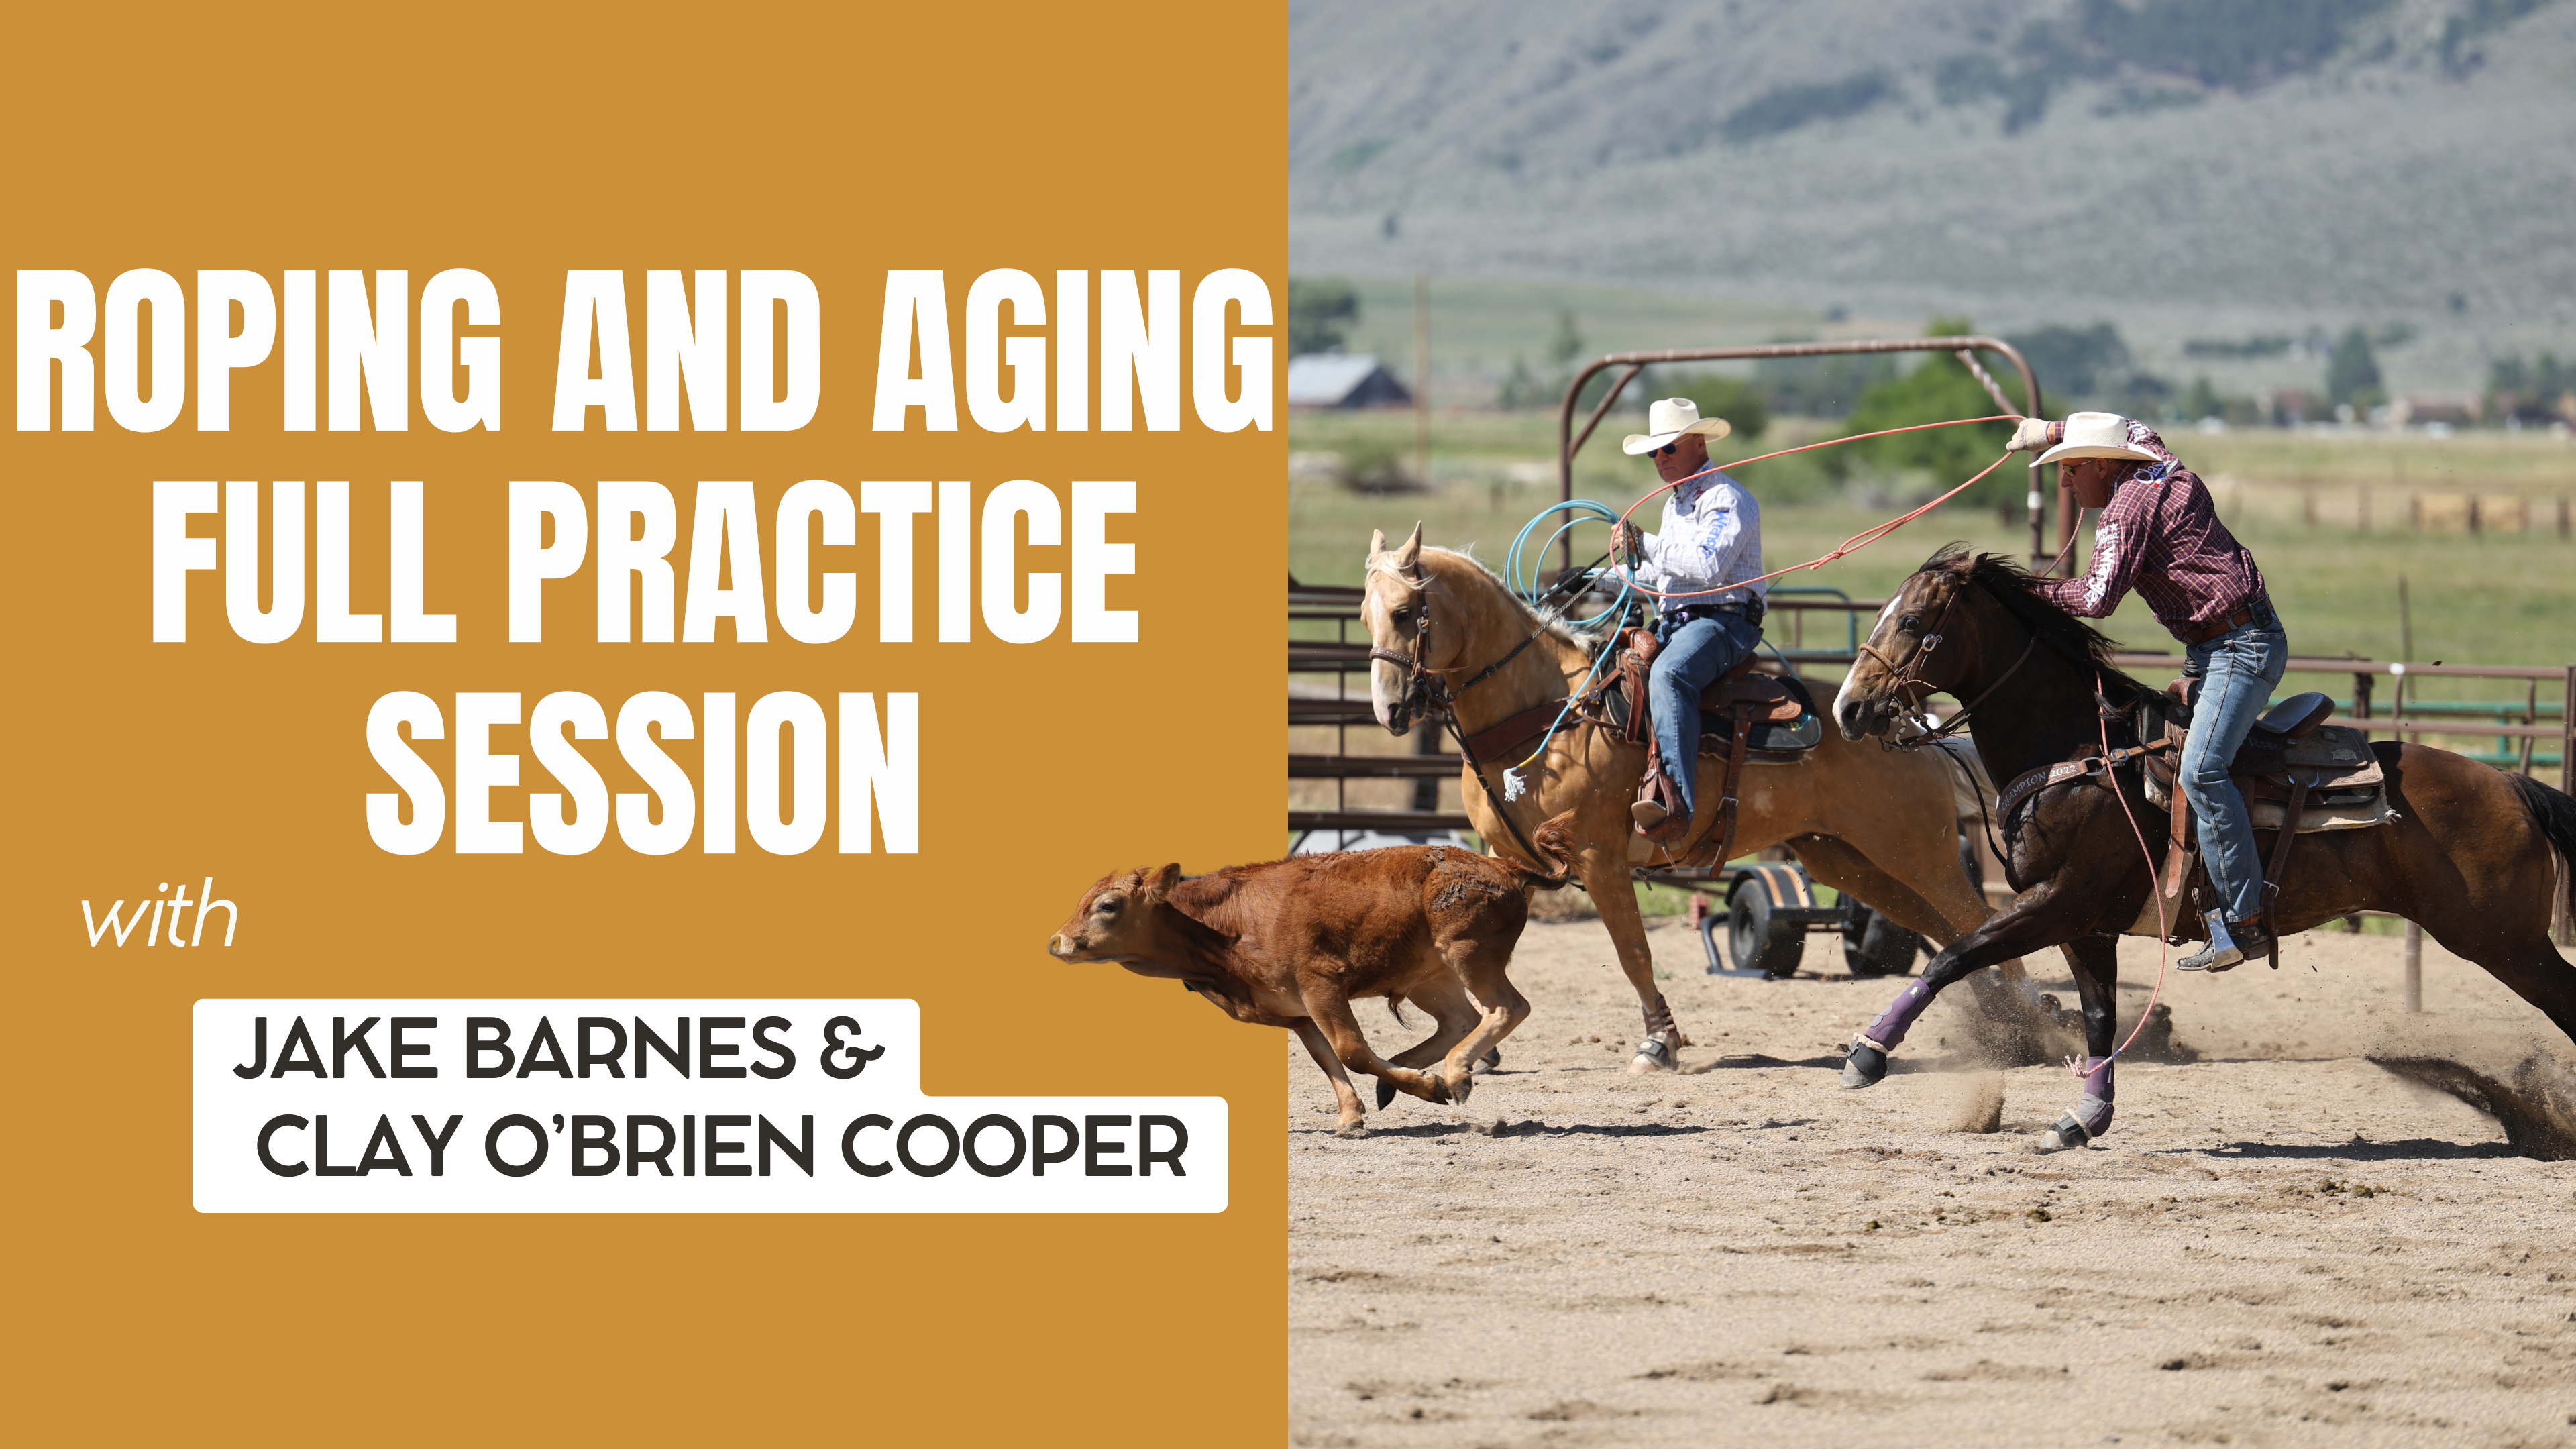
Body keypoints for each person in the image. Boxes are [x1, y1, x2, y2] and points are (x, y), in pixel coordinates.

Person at [2011, 410, 2286, 971]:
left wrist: (2020, 592)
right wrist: (2056, 431)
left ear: (2104, 464)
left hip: (2238, 648)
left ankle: (2244, 920)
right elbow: (2131, 426)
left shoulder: (2123, 514)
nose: (2065, 481)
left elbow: (2095, 598)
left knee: (2203, 770)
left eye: (2071, 467)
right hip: (2224, 642)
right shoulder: (2154, 459)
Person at [1607, 397, 1765, 843]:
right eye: (1654, 453)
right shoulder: (1673, 506)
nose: (1660, 459)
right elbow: (1664, 573)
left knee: (1670, 675)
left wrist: (1648, 543)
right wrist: (1602, 579)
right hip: (1679, 620)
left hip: (1726, 621)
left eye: (1669, 449)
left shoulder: (1727, 499)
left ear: (1698, 443)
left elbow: (1706, 566)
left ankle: (1676, 802)